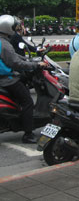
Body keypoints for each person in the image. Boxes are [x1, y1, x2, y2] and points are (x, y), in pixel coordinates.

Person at [0, 15, 48, 143]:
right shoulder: (4, 44)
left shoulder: (3, 42)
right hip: (7, 79)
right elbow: (16, 63)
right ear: (7, 28)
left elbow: (16, 57)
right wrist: (35, 65)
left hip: (3, 78)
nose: (16, 29)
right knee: (27, 102)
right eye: (13, 27)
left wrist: (30, 60)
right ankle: (28, 134)